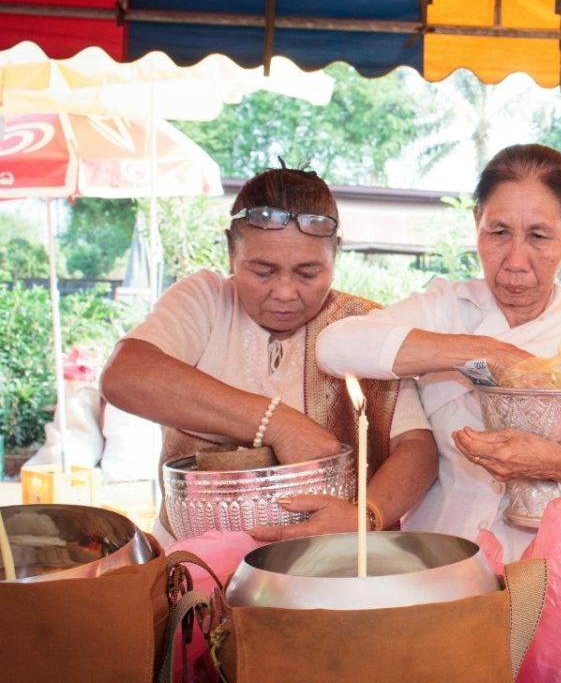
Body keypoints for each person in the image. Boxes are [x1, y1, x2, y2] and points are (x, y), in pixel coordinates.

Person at [317, 143, 561, 558]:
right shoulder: (446, 309)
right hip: (446, 558)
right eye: (498, 233)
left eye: (539, 236)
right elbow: (334, 346)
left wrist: (556, 462)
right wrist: (478, 351)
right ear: (476, 221)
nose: (515, 261)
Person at [100, 167, 437, 542]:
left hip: (324, 569)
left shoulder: (361, 326)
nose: (284, 292)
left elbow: (417, 447)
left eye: (308, 273)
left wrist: (365, 517)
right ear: (231, 253)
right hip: (193, 572)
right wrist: (277, 424)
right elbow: (123, 375)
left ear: (336, 255)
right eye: (262, 271)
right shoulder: (206, 302)